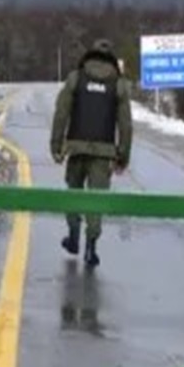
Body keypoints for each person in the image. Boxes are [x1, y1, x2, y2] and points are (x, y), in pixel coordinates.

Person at [50, 38, 133, 268]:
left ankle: (73, 237)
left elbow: (61, 113)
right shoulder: (118, 84)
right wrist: (122, 156)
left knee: (74, 193)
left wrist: (56, 146)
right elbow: (126, 125)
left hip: (76, 148)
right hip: (104, 153)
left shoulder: (76, 78)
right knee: (96, 200)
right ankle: (90, 248)